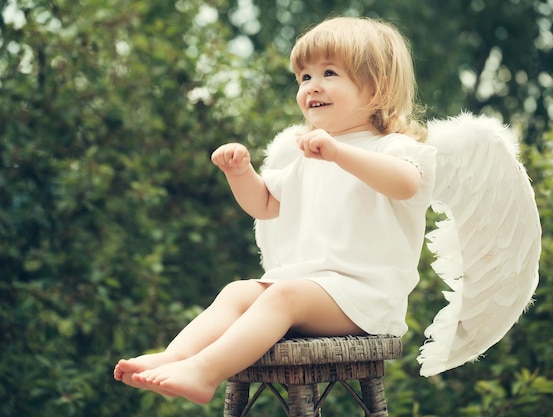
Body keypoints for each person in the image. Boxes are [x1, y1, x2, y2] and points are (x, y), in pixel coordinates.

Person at [113, 16, 436, 404]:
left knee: (284, 297)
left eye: (329, 73)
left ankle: (204, 373)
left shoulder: (392, 148)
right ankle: (176, 355)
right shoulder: (308, 156)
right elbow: (265, 205)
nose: (311, 86)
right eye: (303, 77)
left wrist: (338, 153)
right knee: (238, 291)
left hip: (364, 298)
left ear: (376, 85)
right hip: (313, 289)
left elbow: (405, 184)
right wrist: (240, 172)